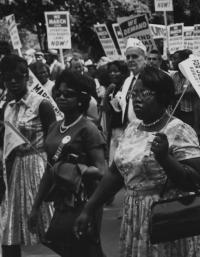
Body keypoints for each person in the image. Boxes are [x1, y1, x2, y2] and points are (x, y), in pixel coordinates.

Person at [75, 65, 200, 257]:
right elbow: (116, 174)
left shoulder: (180, 130)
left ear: (163, 97)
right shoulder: (132, 128)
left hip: (167, 217)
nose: (137, 99)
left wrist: (165, 159)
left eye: (145, 93)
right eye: (134, 93)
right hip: (135, 216)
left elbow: (194, 180)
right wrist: (90, 207)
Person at [28, 70, 107, 257]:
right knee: (66, 247)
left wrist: (77, 170)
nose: (61, 97)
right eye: (59, 93)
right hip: (62, 200)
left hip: (85, 200)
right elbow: (50, 170)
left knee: (86, 248)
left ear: (81, 99)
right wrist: (35, 206)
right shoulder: (55, 127)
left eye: (68, 94)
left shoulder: (89, 129)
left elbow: (102, 171)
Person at [1, 54, 56, 257]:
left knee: (46, 227)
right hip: (14, 170)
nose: (13, 82)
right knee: (9, 229)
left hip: (39, 169)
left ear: (26, 76)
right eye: (8, 78)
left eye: (18, 76)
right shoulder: (5, 108)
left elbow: (53, 144)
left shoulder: (41, 104)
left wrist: (53, 176)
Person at [114, 38, 147, 127]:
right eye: (128, 57)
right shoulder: (127, 81)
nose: (130, 60)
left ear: (145, 58)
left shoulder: (150, 79)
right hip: (128, 132)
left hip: (145, 131)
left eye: (135, 56)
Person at [103, 60, 129, 165]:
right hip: (114, 129)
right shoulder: (112, 88)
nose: (112, 74)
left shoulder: (127, 88)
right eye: (110, 71)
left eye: (116, 71)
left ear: (123, 72)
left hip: (125, 129)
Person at [170, 49, 198, 128]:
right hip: (176, 112)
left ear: (183, 61)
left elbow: (194, 91)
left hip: (189, 114)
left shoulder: (192, 76)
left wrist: (177, 94)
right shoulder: (173, 75)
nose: (172, 61)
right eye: (172, 59)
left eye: (175, 59)